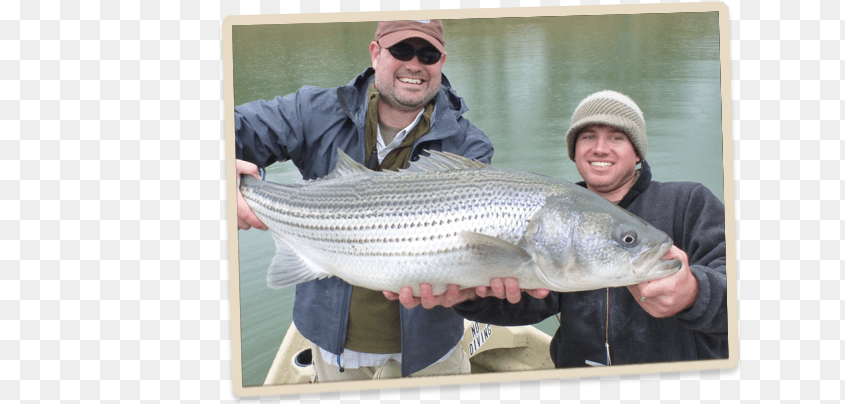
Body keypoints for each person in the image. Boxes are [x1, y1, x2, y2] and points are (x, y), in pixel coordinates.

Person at [234, 20, 494, 380]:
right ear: (375, 53)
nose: (415, 64)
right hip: (333, 352)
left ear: (442, 61)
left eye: (428, 54)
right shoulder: (313, 110)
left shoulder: (470, 147)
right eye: (401, 50)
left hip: (431, 355)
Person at [393, 90, 727, 367]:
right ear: (574, 151)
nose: (600, 147)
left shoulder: (689, 202)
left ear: (637, 152)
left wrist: (695, 293)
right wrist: (469, 296)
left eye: (616, 137)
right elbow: (534, 304)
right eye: (587, 137)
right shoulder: (560, 215)